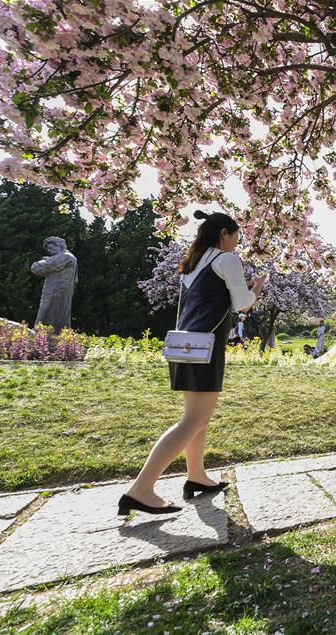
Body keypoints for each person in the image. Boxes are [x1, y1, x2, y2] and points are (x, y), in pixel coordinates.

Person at [119, 210, 265, 516]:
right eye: (236, 236)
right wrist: (256, 289)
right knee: (193, 420)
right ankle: (141, 489)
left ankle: (196, 475)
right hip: (206, 348)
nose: (238, 242)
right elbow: (241, 305)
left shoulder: (193, 263)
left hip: (186, 346)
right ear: (225, 233)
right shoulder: (226, 260)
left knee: (196, 418)